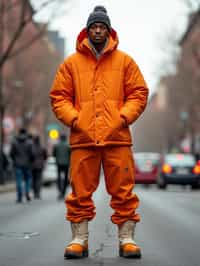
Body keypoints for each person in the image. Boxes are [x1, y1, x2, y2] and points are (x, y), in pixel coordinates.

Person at [50, 6, 148, 259]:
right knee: (80, 192)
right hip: (83, 139)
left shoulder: (125, 61)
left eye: (101, 26)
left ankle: (127, 239)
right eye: (94, 26)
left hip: (117, 138)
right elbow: (59, 97)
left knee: (123, 191)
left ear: (108, 30)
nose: (97, 30)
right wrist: (76, 119)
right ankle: (78, 240)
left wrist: (123, 117)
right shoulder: (71, 64)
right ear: (87, 29)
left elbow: (139, 93)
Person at [10, 128, 33, 203]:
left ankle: (19, 196)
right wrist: (30, 161)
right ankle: (26, 192)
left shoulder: (15, 142)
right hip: (27, 164)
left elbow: (11, 154)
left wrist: (15, 160)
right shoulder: (29, 142)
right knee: (28, 179)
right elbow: (32, 154)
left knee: (19, 180)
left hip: (17, 164)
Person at [53, 134, 71, 200]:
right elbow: (70, 155)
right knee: (66, 178)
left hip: (58, 163)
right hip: (66, 164)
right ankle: (63, 192)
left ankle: (60, 190)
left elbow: (54, 154)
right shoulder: (68, 146)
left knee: (59, 178)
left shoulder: (56, 145)